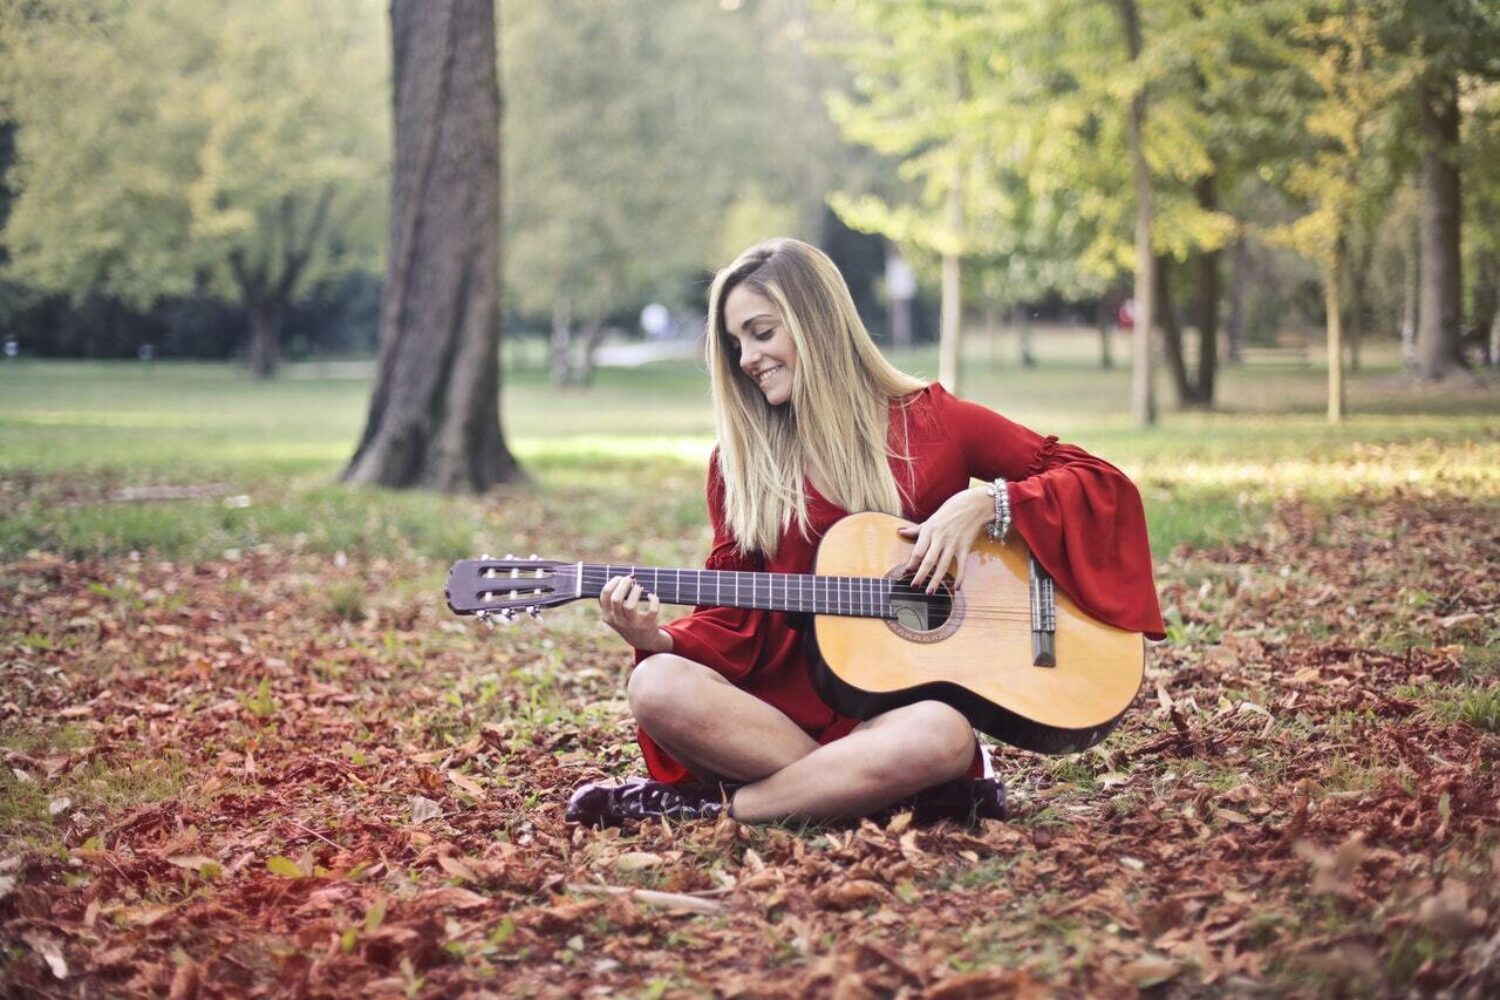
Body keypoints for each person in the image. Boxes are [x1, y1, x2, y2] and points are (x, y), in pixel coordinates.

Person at [566, 238, 1165, 827]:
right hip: (771, 720)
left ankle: (723, 809)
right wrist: (658, 638)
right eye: (734, 342)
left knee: (942, 733)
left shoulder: (934, 422)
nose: (747, 357)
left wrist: (988, 502)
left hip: (893, 720)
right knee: (655, 684)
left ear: (817, 324)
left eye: (762, 331)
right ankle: (883, 794)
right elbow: (731, 620)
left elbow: (1099, 482)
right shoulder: (740, 465)